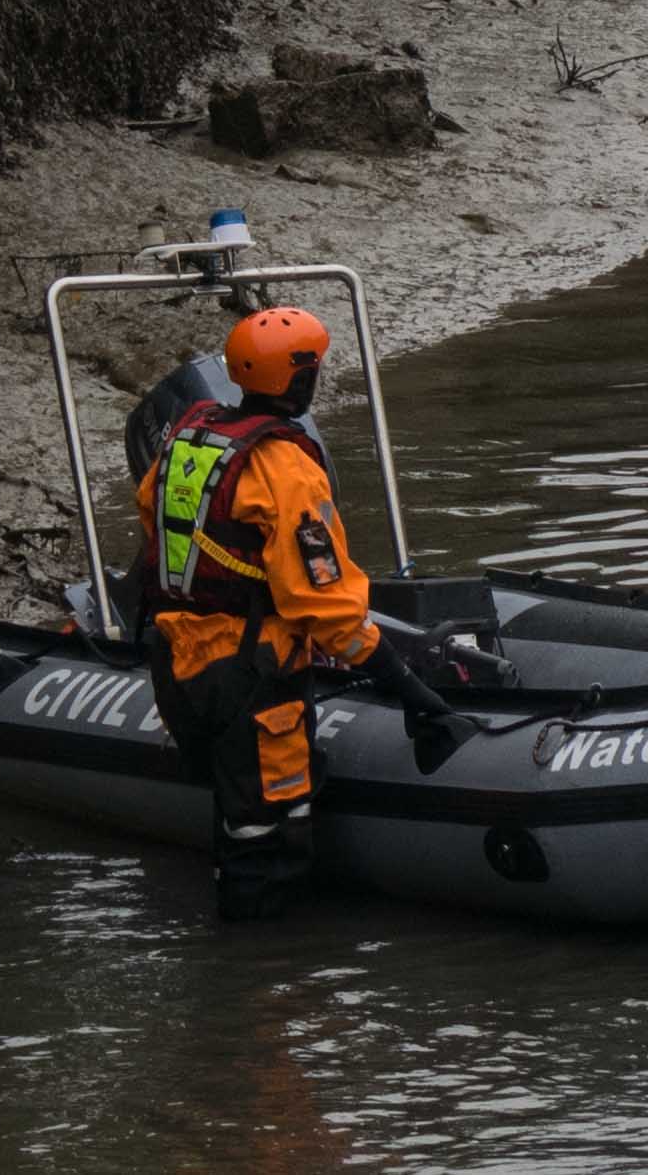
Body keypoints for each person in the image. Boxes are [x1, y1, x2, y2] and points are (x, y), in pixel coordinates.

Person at [136, 306, 457, 920]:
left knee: (236, 821)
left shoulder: (189, 438)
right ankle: (268, 993)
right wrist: (417, 694)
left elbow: (154, 518)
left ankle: (242, 978)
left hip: (181, 663)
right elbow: (326, 608)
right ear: (299, 380)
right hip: (252, 677)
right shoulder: (285, 471)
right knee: (269, 840)